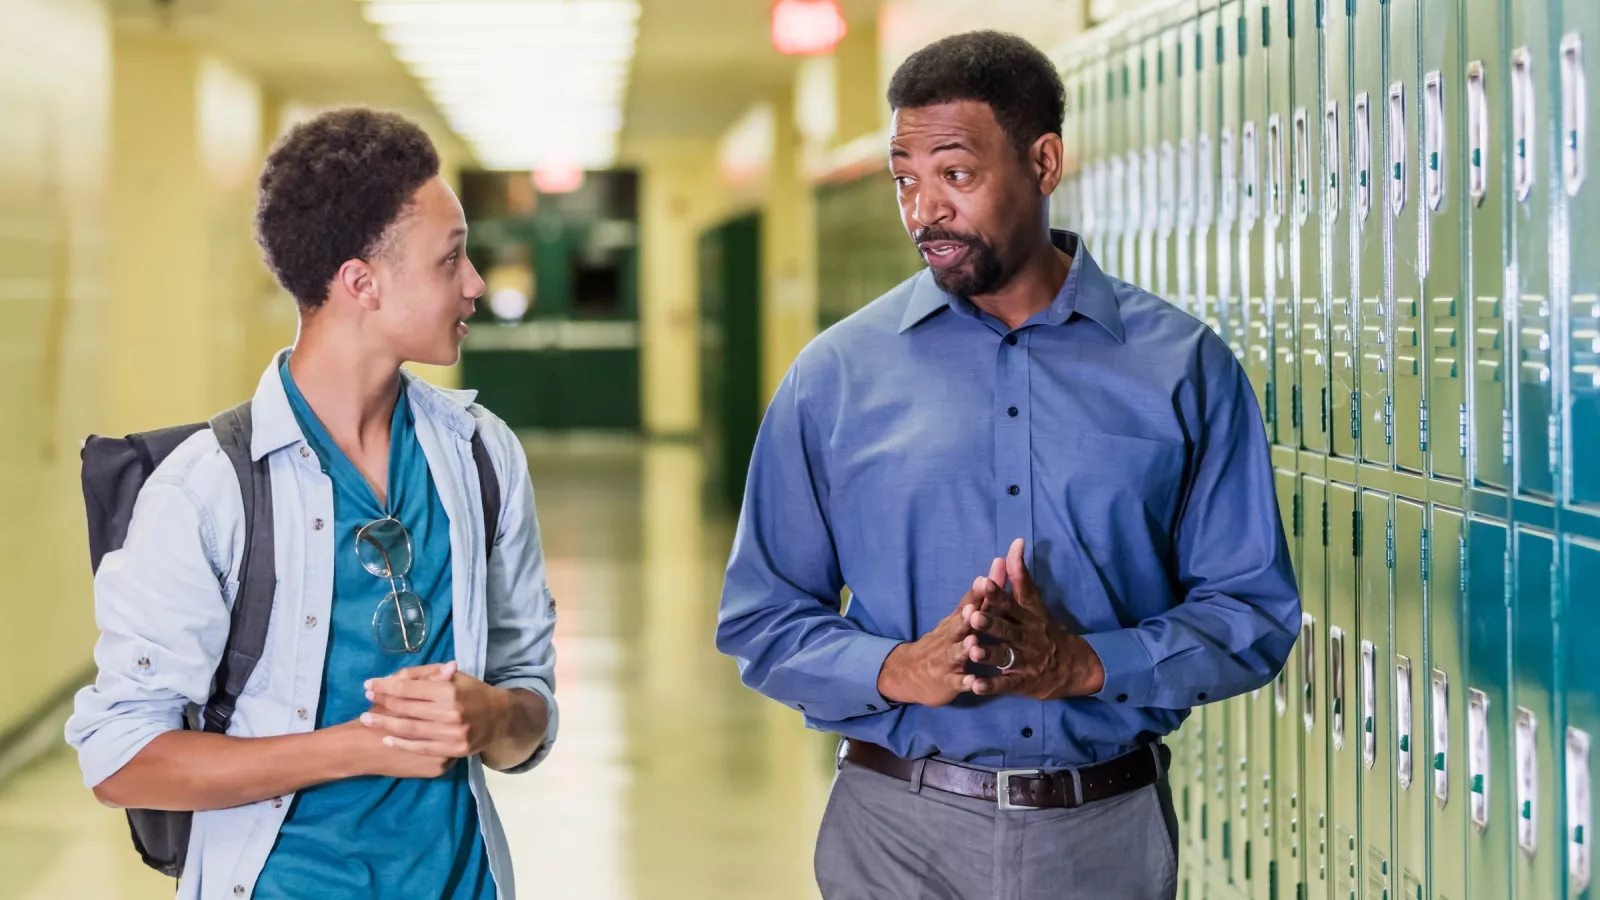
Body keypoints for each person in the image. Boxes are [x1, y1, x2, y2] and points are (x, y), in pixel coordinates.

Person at [715, 30, 1300, 900]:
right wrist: (895, 668)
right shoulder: (835, 377)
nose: (924, 212)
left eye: (955, 175)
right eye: (904, 179)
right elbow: (760, 620)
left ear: (1044, 161)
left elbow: (1252, 612)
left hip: (1103, 835)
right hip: (894, 832)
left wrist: (1090, 665)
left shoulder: (1181, 367)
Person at [66, 108, 558, 899]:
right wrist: (361, 746)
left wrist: (493, 718)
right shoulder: (208, 490)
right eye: (452, 261)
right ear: (361, 282)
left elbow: (528, 698)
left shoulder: (480, 457)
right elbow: (120, 759)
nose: (475, 284)